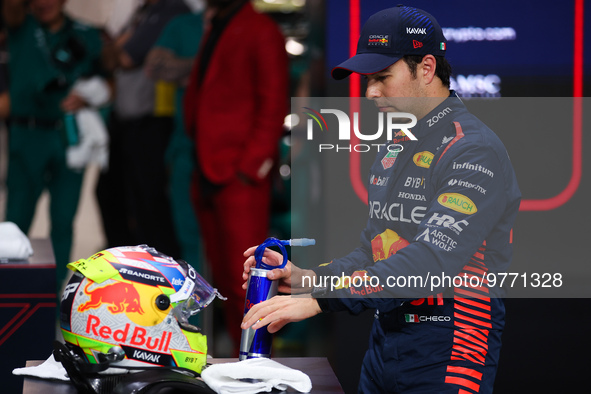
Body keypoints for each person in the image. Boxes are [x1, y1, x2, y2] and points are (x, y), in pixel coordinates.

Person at [242, 5, 521, 393]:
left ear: (426, 68)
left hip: (450, 350)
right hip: (385, 347)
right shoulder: (397, 145)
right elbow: (375, 251)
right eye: (367, 80)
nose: (370, 92)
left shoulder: (474, 150)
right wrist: (306, 279)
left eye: (382, 78)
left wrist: (321, 300)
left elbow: (429, 261)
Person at [184, 0, 289, 352]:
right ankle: (237, 358)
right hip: (208, 169)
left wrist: (251, 168)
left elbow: (274, 102)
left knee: (246, 278)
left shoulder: (261, 30)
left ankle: (254, 361)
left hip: (239, 176)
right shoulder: (218, 24)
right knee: (223, 278)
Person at [3, 0, 104, 286]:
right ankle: (8, 293)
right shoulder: (21, 25)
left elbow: (108, 82)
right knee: (15, 221)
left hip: (69, 138)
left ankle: (53, 295)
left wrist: (88, 97)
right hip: (27, 135)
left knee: (62, 221)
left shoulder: (86, 33)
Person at [96, 0, 189, 257]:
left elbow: (125, 58)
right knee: (114, 196)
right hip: (125, 122)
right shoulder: (142, 12)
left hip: (152, 124)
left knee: (150, 206)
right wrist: (115, 47)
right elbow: (108, 57)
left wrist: (114, 46)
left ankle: (159, 273)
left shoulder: (172, 11)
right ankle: (125, 266)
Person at [144, 2, 205, 271]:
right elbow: (154, 67)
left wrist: (187, 71)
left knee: (235, 245)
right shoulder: (185, 24)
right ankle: (196, 309)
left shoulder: (249, 27)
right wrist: (206, 63)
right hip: (185, 147)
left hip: (230, 153)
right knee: (187, 238)